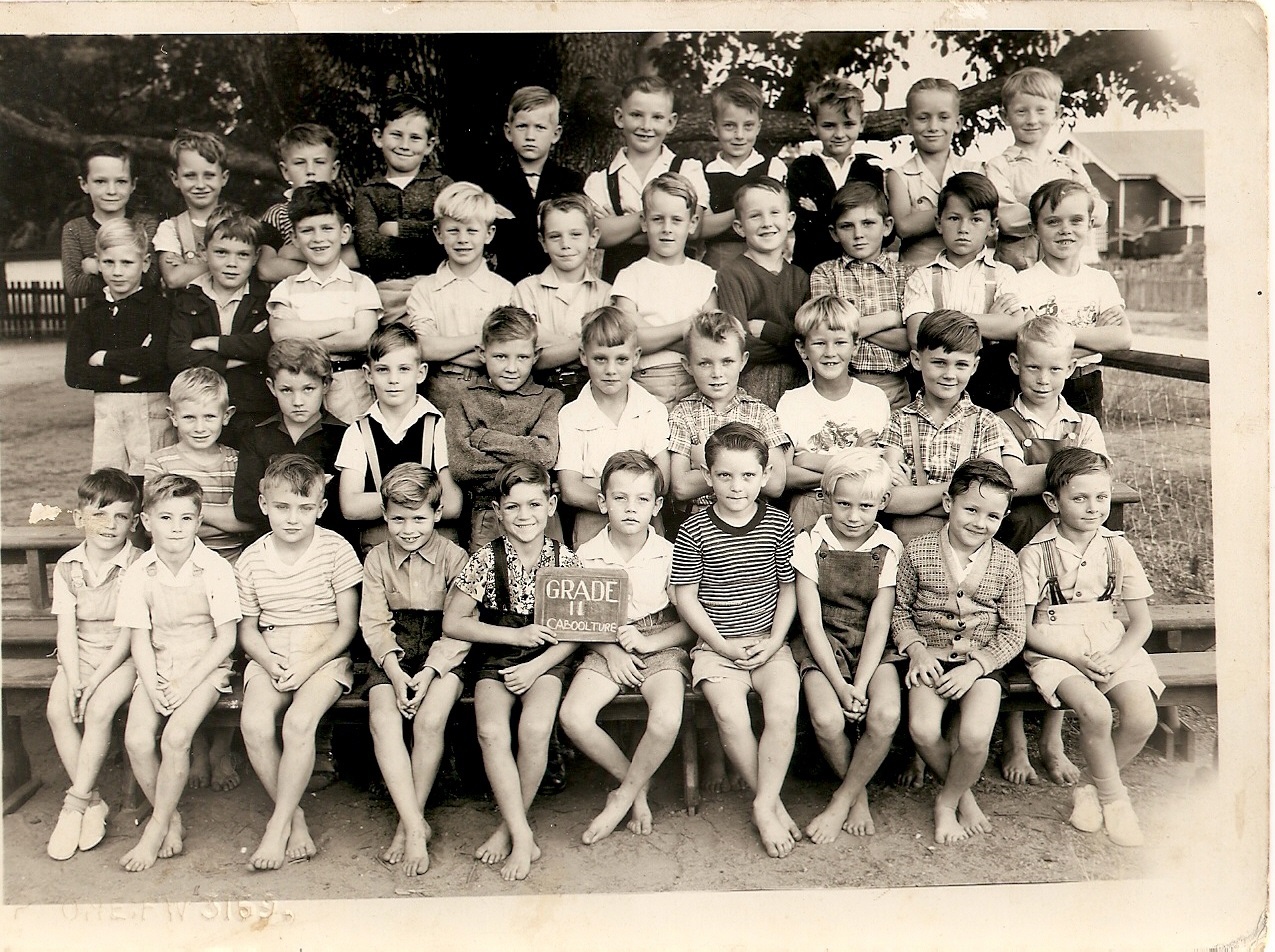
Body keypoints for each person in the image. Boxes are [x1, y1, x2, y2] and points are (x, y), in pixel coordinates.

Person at [443, 461, 584, 882]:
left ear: (551, 505)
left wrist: (538, 664)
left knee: (535, 729)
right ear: (498, 512)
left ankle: (510, 830)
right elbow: (454, 622)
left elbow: (579, 630)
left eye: (534, 505)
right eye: (513, 507)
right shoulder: (486, 559)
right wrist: (514, 637)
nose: (524, 516)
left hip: (548, 658)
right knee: (491, 732)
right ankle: (523, 834)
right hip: (497, 655)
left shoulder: (565, 560)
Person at [670, 422, 802, 859]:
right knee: (730, 715)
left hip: (768, 642)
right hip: (716, 647)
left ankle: (763, 803)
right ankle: (771, 804)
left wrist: (775, 640)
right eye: (724, 475)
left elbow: (788, 589)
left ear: (765, 476)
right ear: (708, 477)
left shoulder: (778, 524)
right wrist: (721, 646)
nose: (736, 486)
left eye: (747, 475)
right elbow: (686, 597)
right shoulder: (695, 528)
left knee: (782, 710)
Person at [1019, 449, 1160, 847]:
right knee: (1095, 711)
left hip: (1110, 642)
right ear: (1053, 502)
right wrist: (1074, 658)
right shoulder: (1035, 553)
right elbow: (1024, 629)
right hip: (1056, 647)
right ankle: (1115, 802)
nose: (1093, 507)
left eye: (1101, 497)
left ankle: (1089, 789)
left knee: (1142, 717)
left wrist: (1116, 658)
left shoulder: (1118, 548)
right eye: (1079, 498)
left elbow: (1142, 623)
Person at [996, 317, 1110, 787]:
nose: (1044, 379)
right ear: (1015, 364)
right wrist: (1069, 472)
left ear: (1071, 369)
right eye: (1034, 368)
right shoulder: (1000, 423)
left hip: (1070, 547)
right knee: (1013, 624)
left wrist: (1041, 475)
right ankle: (1014, 739)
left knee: (1062, 629)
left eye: (1056, 369)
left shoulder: (1084, 423)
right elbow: (1010, 481)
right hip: (1019, 541)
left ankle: (1051, 737)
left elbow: (1096, 478)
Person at [559, 451, 693, 844]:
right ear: (602, 502)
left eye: (642, 499)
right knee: (574, 716)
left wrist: (650, 642)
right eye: (620, 498)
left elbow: (689, 625)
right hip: (605, 642)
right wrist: (610, 650)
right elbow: (578, 622)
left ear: (657, 506)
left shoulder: (670, 554)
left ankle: (622, 797)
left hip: (660, 640)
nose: (631, 508)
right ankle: (635, 786)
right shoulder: (586, 555)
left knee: (666, 718)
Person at [236, 454, 362, 870]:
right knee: (255, 724)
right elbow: (248, 630)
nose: (293, 519)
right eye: (282, 507)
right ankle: (294, 817)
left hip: (323, 654)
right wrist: (269, 662)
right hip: (271, 652)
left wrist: (307, 665)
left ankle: (276, 828)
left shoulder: (335, 549)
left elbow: (347, 627)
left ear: (321, 508)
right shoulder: (252, 559)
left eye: (305, 508)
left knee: (298, 723)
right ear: (264, 504)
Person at [891, 459, 1025, 845]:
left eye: (993, 516)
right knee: (922, 729)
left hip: (981, 663)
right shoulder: (918, 551)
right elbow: (900, 612)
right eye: (971, 510)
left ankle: (946, 802)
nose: (980, 523)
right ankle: (963, 795)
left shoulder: (1006, 561)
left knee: (975, 736)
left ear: (1004, 517)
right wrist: (917, 651)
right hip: (930, 657)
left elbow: (1014, 632)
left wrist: (976, 668)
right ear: (949, 503)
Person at [116, 474, 242, 872]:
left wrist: (187, 683)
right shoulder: (139, 571)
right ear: (146, 521)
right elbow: (139, 639)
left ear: (199, 521)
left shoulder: (214, 568)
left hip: (204, 668)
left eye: (186, 518)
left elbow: (226, 639)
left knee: (175, 738)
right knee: (137, 740)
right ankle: (170, 817)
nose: (176, 528)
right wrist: (153, 685)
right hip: (158, 665)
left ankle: (155, 829)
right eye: (165, 518)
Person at [360, 463, 471, 875]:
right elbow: (374, 623)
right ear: (384, 515)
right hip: (393, 651)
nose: (408, 529)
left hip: (445, 648)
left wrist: (429, 672)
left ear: (437, 514)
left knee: (429, 720)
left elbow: (461, 626)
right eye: (398, 519)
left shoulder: (455, 557)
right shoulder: (376, 559)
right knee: (383, 719)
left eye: (419, 519)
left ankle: (409, 823)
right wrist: (394, 673)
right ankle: (412, 824)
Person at [793, 449, 903, 843]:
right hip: (823, 643)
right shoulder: (809, 542)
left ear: (883, 502)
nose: (854, 516)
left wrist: (861, 681)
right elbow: (810, 623)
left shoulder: (888, 546)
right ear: (826, 498)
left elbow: (880, 623)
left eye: (866, 506)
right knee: (827, 718)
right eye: (843, 504)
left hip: (872, 646)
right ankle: (857, 796)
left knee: (886, 714)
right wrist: (841, 687)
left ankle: (842, 798)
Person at [44, 469, 143, 861]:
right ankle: (94, 801)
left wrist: (95, 682)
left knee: (99, 710)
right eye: (99, 514)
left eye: (120, 516)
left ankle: (73, 805)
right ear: (79, 517)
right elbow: (66, 631)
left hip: (123, 658)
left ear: (133, 522)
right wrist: (74, 678)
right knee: (58, 711)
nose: (109, 525)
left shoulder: (138, 565)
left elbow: (128, 637)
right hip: (80, 655)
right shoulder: (68, 566)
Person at [64, 218, 174, 489]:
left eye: (127, 263)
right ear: (98, 263)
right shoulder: (91, 315)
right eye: (109, 262)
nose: (117, 272)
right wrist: (121, 377)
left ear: (144, 263)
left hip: (153, 413)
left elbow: (156, 360)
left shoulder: (158, 308)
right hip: (109, 415)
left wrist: (103, 358)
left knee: (154, 484)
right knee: (110, 487)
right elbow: (75, 373)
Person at [903, 171, 1027, 412]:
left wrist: (940, 317)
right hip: (938, 385)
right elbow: (917, 334)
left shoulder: (1003, 274)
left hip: (991, 385)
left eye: (975, 220)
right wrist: (989, 321)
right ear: (938, 223)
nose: (963, 228)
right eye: (954, 218)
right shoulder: (922, 277)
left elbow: (1014, 327)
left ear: (992, 227)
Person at [882, 309, 1008, 546]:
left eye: (961, 365)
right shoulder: (899, 421)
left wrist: (915, 496)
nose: (950, 374)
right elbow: (889, 500)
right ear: (917, 360)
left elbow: (989, 500)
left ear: (974, 366)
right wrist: (963, 493)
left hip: (966, 549)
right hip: (908, 545)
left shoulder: (985, 422)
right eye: (939, 363)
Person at [336, 322, 462, 552]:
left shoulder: (438, 427)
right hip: (379, 552)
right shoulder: (358, 431)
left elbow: (453, 505)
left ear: (420, 373)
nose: (393, 379)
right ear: (368, 374)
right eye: (383, 370)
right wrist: (419, 501)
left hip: (435, 554)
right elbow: (351, 506)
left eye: (403, 369)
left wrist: (391, 503)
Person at [1014, 179, 1132, 422]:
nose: (1065, 229)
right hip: (1040, 385)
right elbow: (1028, 346)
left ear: (1090, 224)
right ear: (1034, 229)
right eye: (1053, 222)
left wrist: (1053, 338)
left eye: (1076, 220)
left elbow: (1121, 338)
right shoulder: (1022, 282)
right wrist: (1096, 338)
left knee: (1085, 444)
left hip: (1085, 383)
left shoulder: (1100, 280)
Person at [447, 305, 563, 551]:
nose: (511, 367)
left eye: (522, 357)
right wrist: (526, 456)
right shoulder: (464, 400)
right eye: (501, 356)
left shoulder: (549, 398)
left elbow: (544, 455)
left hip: (540, 516)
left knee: (547, 573)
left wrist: (484, 438)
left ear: (536, 355)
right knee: (489, 573)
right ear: (482, 353)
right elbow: (462, 466)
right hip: (487, 515)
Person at [267, 182, 382, 425]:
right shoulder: (286, 288)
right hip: (302, 390)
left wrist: (302, 340)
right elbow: (280, 334)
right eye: (307, 230)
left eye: (327, 228)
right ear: (294, 238)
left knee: (352, 441)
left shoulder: (361, 284)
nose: (318, 238)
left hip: (351, 388)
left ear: (344, 232)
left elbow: (363, 337)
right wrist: (341, 323)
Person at [556, 306, 671, 546]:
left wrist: (597, 487)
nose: (611, 370)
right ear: (583, 355)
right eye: (600, 359)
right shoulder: (571, 415)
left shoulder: (652, 409)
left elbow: (661, 483)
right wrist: (635, 496)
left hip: (646, 531)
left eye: (621, 359)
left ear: (636, 357)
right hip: (592, 531)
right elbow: (570, 490)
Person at [778, 295, 891, 533]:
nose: (830, 352)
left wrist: (809, 460)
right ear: (802, 348)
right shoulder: (792, 402)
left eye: (840, 342)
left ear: (855, 345)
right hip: (808, 504)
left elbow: (878, 469)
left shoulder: (874, 398)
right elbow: (784, 475)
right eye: (819, 343)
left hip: (860, 511)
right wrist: (852, 458)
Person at [583, 74, 711, 283]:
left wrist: (620, 225)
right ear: (619, 117)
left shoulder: (688, 169)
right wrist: (665, 215)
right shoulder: (600, 180)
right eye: (636, 115)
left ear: (671, 122)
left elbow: (692, 231)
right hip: (619, 282)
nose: (646, 125)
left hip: (676, 281)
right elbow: (598, 236)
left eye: (657, 117)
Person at [166, 207, 274, 448]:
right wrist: (241, 356)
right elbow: (178, 356)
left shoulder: (264, 299)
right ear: (204, 252)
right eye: (221, 252)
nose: (231, 263)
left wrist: (211, 343)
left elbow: (266, 346)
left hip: (253, 408)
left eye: (243, 255)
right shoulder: (189, 298)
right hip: (202, 412)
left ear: (256, 257)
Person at [405, 181, 515, 414]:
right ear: (438, 234)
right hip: (436, 391)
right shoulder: (424, 289)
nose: (462, 239)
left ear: (489, 234)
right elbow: (424, 348)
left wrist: (444, 351)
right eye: (453, 230)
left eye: (472, 231)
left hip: (490, 392)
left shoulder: (504, 291)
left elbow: (506, 355)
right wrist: (483, 340)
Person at [610, 172, 718, 410]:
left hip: (695, 381)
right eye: (658, 219)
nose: (667, 228)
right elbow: (630, 340)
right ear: (643, 222)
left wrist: (653, 334)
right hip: (645, 380)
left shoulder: (705, 276)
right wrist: (687, 327)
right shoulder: (630, 276)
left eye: (677, 220)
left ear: (692, 223)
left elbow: (710, 342)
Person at [983, 67, 1109, 271]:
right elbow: (1006, 218)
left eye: (1041, 110)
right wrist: (1070, 216)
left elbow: (1099, 211)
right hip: (1017, 271)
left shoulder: (1069, 167)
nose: (1032, 120)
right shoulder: (999, 167)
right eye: (1021, 111)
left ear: (1057, 113)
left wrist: (1053, 218)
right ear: (1005, 116)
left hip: (1065, 271)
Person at [669, 310, 790, 515]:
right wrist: (747, 471)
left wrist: (707, 464)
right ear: (687, 365)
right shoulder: (682, 414)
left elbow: (776, 484)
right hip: (700, 520)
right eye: (705, 363)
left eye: (727, 361)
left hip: (751, 522)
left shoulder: (762, 415)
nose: (717, 373)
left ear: (743, 360)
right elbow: (680, 488)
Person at [232, 339, 349, 545]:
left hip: (327, 548)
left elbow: (341, 509)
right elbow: (245, 507)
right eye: (287, 390)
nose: (298, 401)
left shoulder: (345, 436)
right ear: (272, 387)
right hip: (269, 548)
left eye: (308, 389)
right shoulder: (257, 436)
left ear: (325, 385)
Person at [809, 181, 913, 409]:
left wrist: (851, 328)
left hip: (896, 387)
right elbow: (826, 334)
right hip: (842, 387)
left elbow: (912, 340)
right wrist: (889, 319)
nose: (858, 234)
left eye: (868, 223)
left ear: (887, 226)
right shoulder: (825, 274)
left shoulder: (906, 275)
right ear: (834, 233)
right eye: (847, 226)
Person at [354, 94, 454, 320]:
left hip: (438, 285)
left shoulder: (441, 185)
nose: (404, 145)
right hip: (389, 292)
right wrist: (431, 238)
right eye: (396, 135)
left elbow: (453, 233)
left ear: (429, 145)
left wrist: (398, 229)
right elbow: (370, 251)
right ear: (378, 137)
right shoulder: (368, 192)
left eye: (415, 138)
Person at [713, 177, 810, 409]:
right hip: (750, 384)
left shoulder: (800, 277)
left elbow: (810, 342)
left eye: (774, 213)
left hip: (798, 383)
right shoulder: (732, 274)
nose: (767, 223)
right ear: (739, 227)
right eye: (755, 216)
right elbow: (739, 346)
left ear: (790, 220)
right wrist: (792, 343)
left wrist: (768, 331)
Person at [479, 86, 586, 284]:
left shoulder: (571, 182)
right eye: (522, 126)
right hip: (506, 282)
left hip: (558, 281)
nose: (530, 135)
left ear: (556, 134)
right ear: (508, 131)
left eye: (540, 127)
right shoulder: (490, 182)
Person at [511, 194, 613, 402]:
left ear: (593, 237)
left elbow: (607, 354)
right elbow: (528, 358)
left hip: (592, 393)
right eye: (555, 236)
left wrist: (549, 341)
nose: (565, 244)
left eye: (575, 234)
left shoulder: (607, 294)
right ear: (543, 242)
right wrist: (588, 344)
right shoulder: (526, 290)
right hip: (536, 392)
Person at [787, 77, 885, 275]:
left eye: (848, 124)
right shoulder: (802, 169)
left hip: (862, 272)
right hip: (811, 270)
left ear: (862, 123)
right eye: (829, 125)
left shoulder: (870, 170)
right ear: (813, 125)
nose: (839, 134)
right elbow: (802, 225)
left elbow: (883, 231)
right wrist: (852, 222)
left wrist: (818, 214)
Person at [886, 78, 981, 267]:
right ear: (906, 124)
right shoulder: (899, 176)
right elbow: (904, 226)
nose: (933, 127)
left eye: (943, 117)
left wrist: (927, 217)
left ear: (958, 123)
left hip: (966, 271)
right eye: (923, 118)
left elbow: (984, 220)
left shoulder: (975, 170)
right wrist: (960, 209)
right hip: (916, 272)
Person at [699, 76, 789, 270]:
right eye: (729, 126)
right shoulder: (703, 173)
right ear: (714, 128)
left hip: (765, 260)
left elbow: (776, 217)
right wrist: (746, 208)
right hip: (720, 263)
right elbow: (702, 228)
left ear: (758, 127)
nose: (739, 135)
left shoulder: (772, 167)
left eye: (748, 126)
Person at [258, 123, 360, 283]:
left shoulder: (347, 210)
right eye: (300, 163)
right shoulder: (277, 215)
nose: (310, 171)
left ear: (334, 170)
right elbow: (266, 269)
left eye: (319, 162)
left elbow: (358, 257)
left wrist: (292, 253)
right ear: (285, 171)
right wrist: (326, 264)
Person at [61, 140, 158, 300]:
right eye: (100, 181)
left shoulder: (145, 224)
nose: (111, 191)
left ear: (133, 184)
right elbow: (75, 286)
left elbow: (151, 278)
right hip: (100, 312)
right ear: (84, 184)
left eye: (121, 181)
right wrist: (127, 271)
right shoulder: (75, 229)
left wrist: (96, 267)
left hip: (143, 310)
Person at [153, 130, 231, 290]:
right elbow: (174, 278)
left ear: (223, 178)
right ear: (175, 179)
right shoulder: (170, 229)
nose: (200, 185)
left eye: (209, 175)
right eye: (190, 176)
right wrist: (227, 262)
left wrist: (190, 267)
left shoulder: (239, 223)